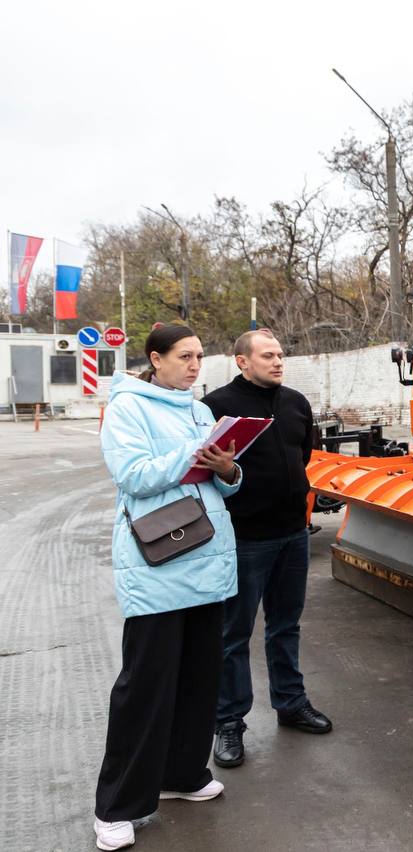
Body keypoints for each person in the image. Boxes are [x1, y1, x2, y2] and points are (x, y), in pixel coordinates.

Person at [94, 324, 243, 851]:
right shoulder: (128, 407)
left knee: (199, 679)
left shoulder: (200, 410)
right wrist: (197, 459)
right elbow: (132, 475)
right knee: (145, 689)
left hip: (207, 559)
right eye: (185, 356)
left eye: (201, 356)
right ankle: (116, 807)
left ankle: (183, 775)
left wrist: (227, 469)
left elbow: (221, 478)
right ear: (155, 359)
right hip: (158, 563)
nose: (195, 365)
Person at [202, 329, 331, 770]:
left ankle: (291, 704)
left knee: (285, 626)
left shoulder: (296, 402)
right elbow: (207, 471)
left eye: (280, 355)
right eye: (268, 356)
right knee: (233, 635)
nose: (278, 362)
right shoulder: (216, 407)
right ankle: (229, 723)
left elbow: (304, 456)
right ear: (242, 361)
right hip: (245, 538)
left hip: (294, 533)